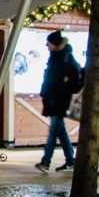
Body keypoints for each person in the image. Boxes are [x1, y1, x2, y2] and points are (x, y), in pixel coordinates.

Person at [35, 30, 83, 173]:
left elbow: (77, 76)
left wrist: (67, 84)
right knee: (60, 132)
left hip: (59, 100)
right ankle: (70, 160)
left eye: (48, 42)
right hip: (53, 100)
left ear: (55, 44)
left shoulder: (66, 58)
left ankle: (46, 162)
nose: (46, 45)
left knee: (53, 132)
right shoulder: (55, 57)